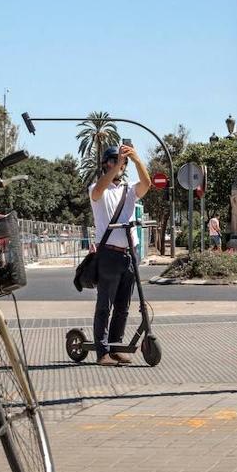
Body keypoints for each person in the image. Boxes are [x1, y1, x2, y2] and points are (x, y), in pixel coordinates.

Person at [89, 144, 152, 365]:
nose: (119, 165)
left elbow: (147, 184)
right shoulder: (97, 190)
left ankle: (116, 345)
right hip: (108, 253)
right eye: (114, 161)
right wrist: (116, 166)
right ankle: (102, 351)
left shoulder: (129, 190)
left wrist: (135, 158)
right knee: (104, 304)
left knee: (123, 305)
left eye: (121, 162)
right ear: (106, 163)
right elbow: (99, 189)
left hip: (129, 253)